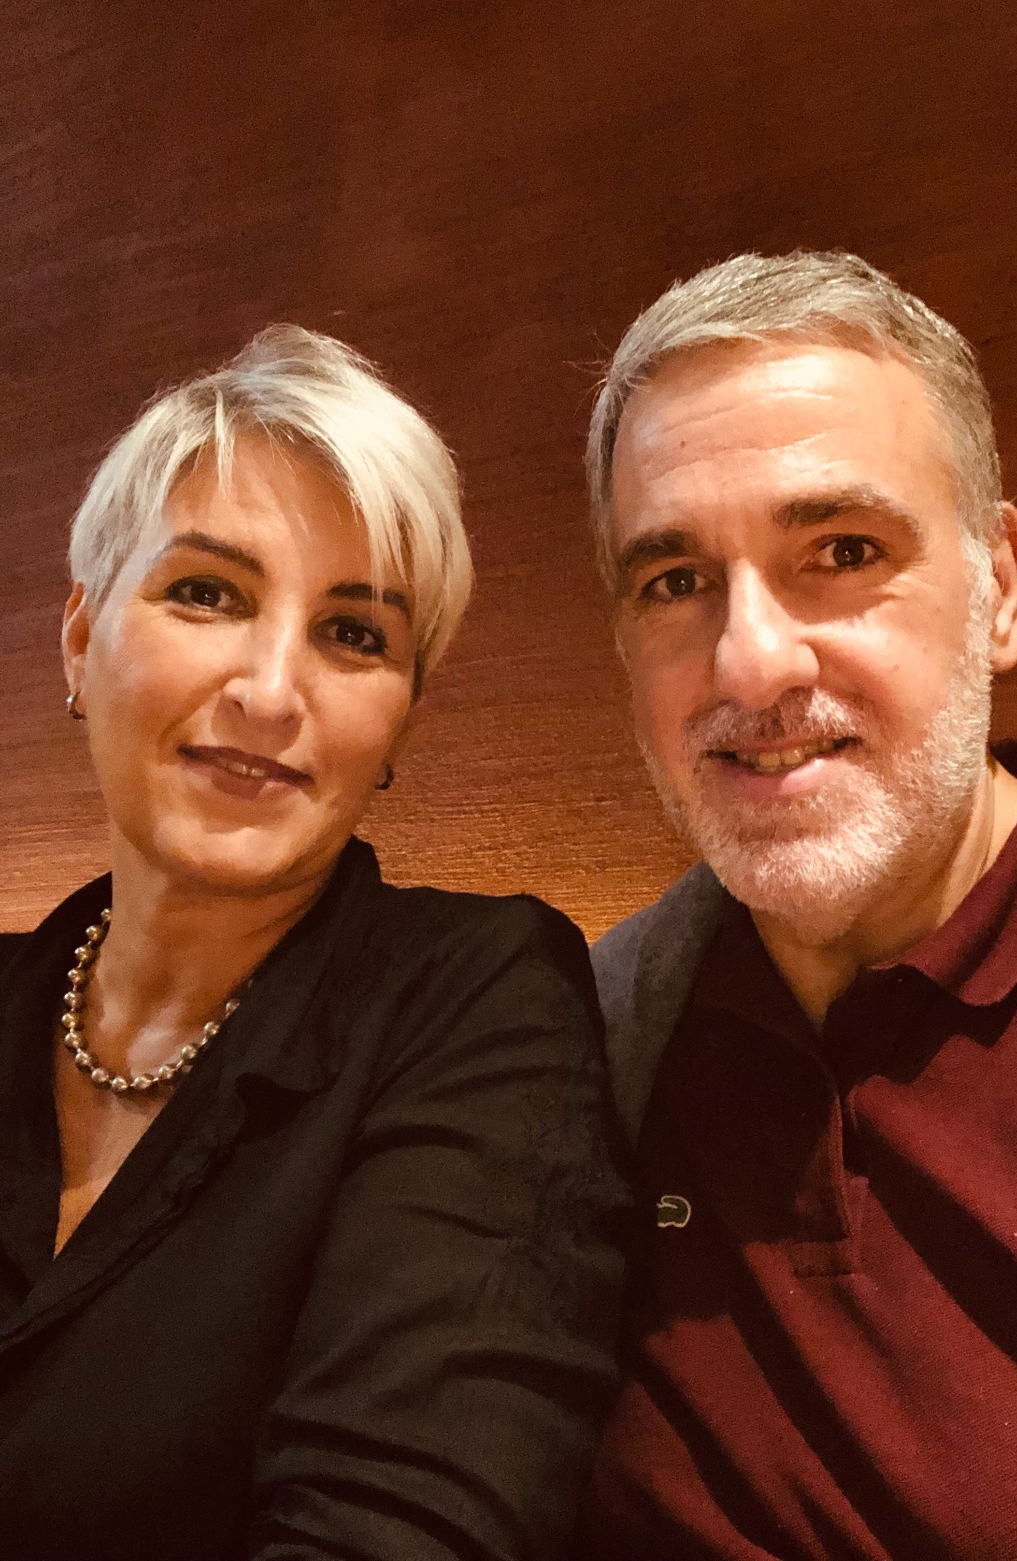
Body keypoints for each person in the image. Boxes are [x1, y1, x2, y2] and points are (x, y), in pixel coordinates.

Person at [578, 251, 1017, 1560]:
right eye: (674, 579)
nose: (750, 661)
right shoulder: (591, 1040)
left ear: (998, 588)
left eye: (840, 552)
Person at [0, 325, 628, 1561]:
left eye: (354, 634)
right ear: (80, 636)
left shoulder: (477, 1000)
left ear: (399, 721)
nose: (271, 691)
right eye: (206, 593)